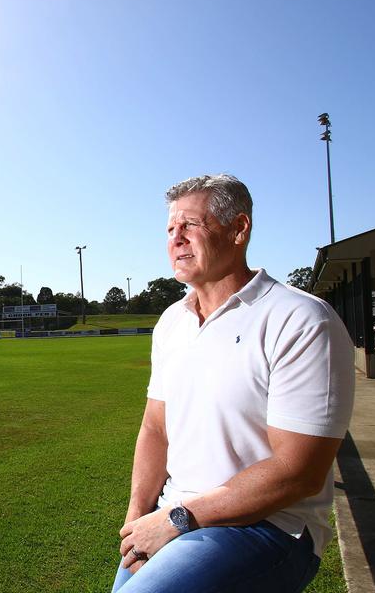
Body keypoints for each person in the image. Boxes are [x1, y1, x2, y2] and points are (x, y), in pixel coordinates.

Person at [111, 174, 355, 593]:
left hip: (270, 527)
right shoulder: (173, 322)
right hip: (172, 517)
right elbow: (155, 427)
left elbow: (298, 472)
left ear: (239, 229)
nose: (177, 239)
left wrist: (177, 518)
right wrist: (138, 517)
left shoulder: (300, 319)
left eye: (191, 225)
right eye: (171, 230)